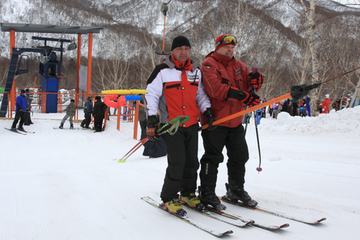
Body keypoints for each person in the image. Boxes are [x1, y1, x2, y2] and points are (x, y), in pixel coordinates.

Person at [145, 35, 213, 215]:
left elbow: (201, 95)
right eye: (179, 49)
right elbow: (151, 95)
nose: (183, 52)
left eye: (186, 49)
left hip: (191, 123)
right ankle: (169, 197)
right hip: (171, 124)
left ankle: (188, 193)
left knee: (191, 162)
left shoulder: (195, 71)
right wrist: (151, 119)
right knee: (177, 161)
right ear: (172, 51)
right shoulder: (162, 70)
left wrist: (207, 110)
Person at [199, 34, 262, 210]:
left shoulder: (240, 66)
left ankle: (236, 189)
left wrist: (257, 80)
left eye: (233, 47)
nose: (230, 49)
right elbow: (215, 89)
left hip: (235, 121)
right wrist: (241, 94)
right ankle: (206, 192)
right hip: (216, 121)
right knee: (213, 158)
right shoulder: (209, 64)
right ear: (218, 47)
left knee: (240, 156)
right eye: (227, 46)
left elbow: (250, 85)